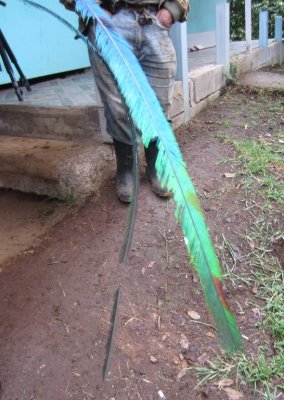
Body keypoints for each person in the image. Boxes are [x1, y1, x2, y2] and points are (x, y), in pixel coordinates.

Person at [60, 0, 189, 202]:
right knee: (117, 107)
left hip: (155, 20)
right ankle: (126, 170)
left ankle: (155, 167)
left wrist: (171, 10)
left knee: (158, 104)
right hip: (109, 22)